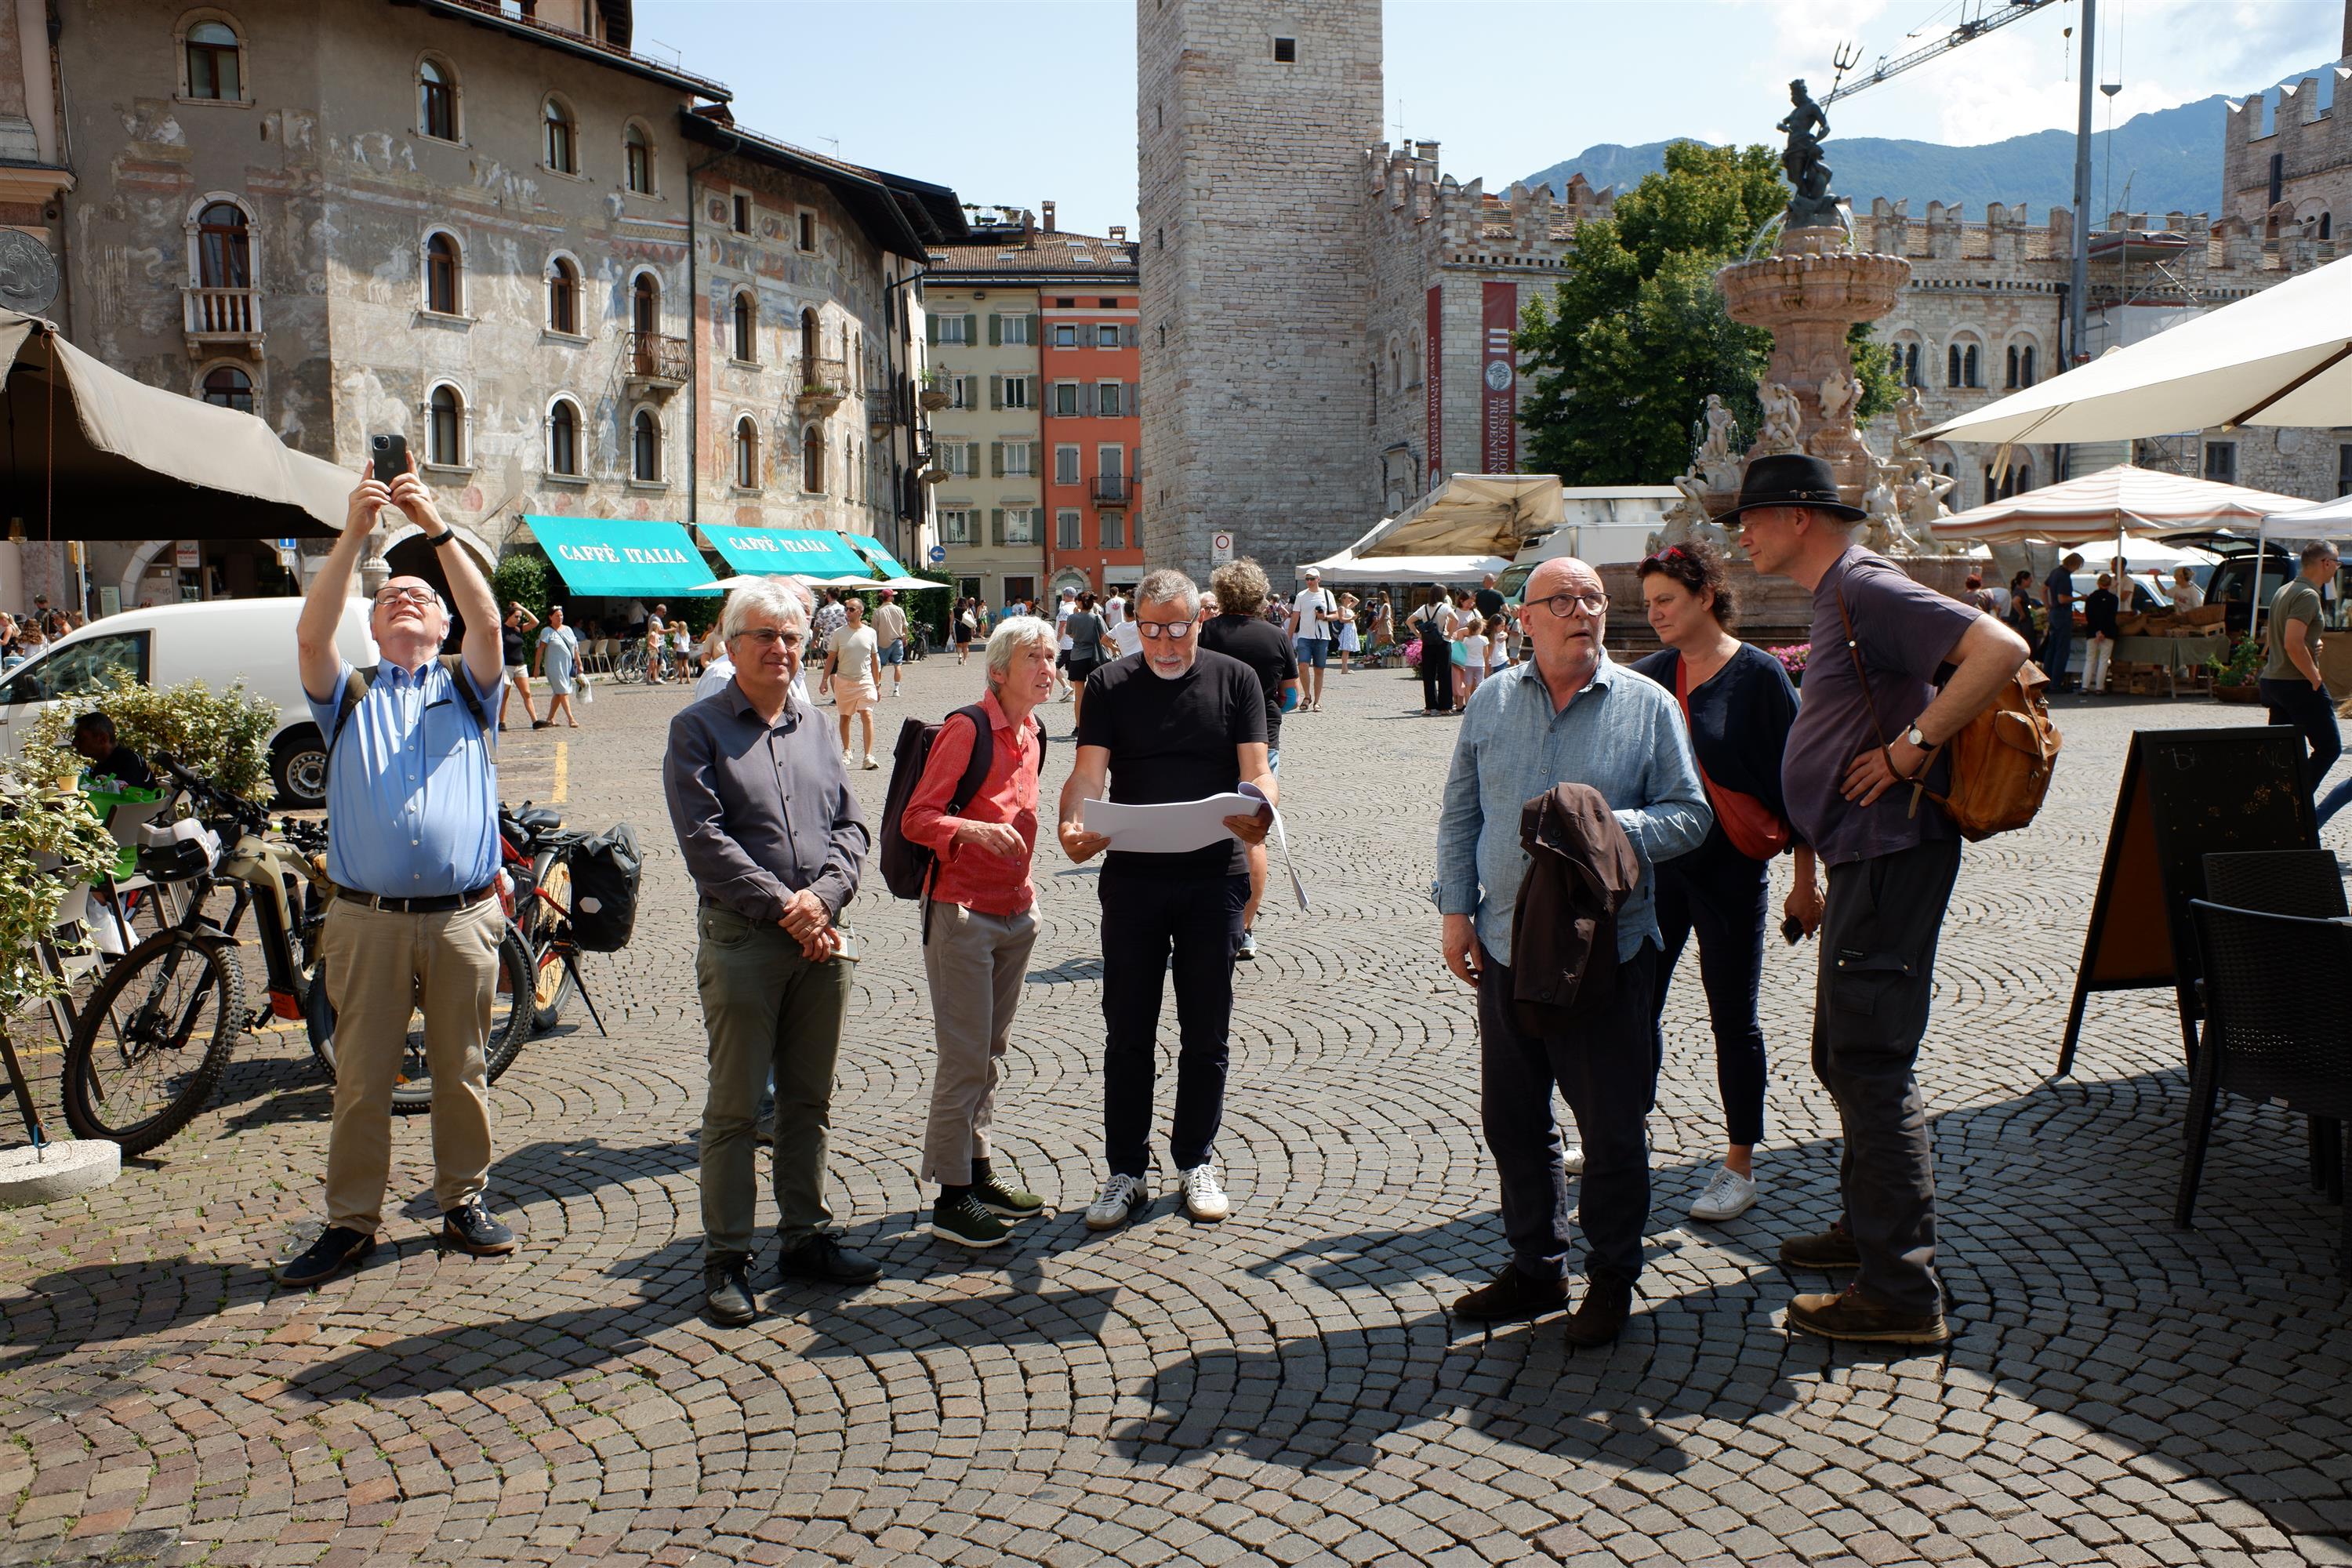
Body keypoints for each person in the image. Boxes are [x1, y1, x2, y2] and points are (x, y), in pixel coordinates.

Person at [1732, 452, 2029, 1345]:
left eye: (1750, 516)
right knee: (1841, 1048)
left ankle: (1899, 1292)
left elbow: (2000, 647)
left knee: (1868, 1058)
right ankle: (1866, 1231)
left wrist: (1911, 747)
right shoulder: (1843, 593)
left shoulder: (1864, 583)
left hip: (1892, 847)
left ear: (1797, 516)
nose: (1740, 533)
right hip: (1865, 854)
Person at [1435, 556, 1711, 1346]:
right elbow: (1461, 814)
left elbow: (1690, 815)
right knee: (1515, 1119)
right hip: (1506, 944)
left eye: (1591, 597)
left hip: (1608, 953)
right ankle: (1536, 1265)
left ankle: (1613, 1277)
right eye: (1561, 600)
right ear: (1525, 620)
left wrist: (1607, 829)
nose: (1582, 611)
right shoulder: (1490, 700)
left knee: (1614, 1126)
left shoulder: (1646, 704)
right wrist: (1456, 911)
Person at [277, 458, 513, 1289]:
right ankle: (350, 1223)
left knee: (463, 1069)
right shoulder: (349, 693)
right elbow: (310, 636)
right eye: (388, 601)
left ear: (444, 627)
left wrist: (435, 527)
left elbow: (488, 622)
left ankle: (463, 1200)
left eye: (420, 598)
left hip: (460, 916)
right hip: (367, 917)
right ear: (373, 631)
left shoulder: (468, 685)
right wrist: (352, 534)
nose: (403, 600)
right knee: (361, 1077)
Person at [664, 579, 876, 1325]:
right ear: (730, 643)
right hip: (745, 940)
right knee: (733, 1108)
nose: (782, 649)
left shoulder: (814, 726)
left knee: (808, 1101)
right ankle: (727, 1255)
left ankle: (804, 1237)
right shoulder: (697, 730)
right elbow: (705, 842)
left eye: (791, 637)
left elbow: (851, 827)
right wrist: (789, 906)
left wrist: (825, 897)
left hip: (817, 936)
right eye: (765, 636)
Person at [1058, 569, 1275, 1230]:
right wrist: (1072, 825)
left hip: (1215, 874)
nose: (1165, 644)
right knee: (1128, 1029)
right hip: (1133, 878)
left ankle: (1194, 1159)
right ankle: (1125, 1169)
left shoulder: (1235, 679)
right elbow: (1088, 773)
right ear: (1137, 626)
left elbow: (1257, 769)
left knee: (1206, 1029)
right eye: (1151, 630)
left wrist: (1264, 809)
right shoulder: (1108, 684)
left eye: (1177, 628)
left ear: (1198, 621)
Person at [1631, 543, 1815, 1223]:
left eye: (1666, 601)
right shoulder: (1650, 676)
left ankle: (1739, 1164)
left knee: (1732, 1018)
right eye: (1647, 603)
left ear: (1706, 595)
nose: (1653, 615)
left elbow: (1796, 786)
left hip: (1734, 870)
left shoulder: (1760, 677)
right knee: (1635, 1004)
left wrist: (1805, 880)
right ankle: (1623, 1132)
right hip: (1659, 872)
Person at [902, 616, 1056, 1247]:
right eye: (1034, 658)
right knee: (963, 1058)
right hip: (961, 911)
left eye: (1052, 656)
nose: (1049, 667)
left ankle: (979, 1168)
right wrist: (970, 830)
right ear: (998, 670)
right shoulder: (967, 729)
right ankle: (951, 1197)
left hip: (1015, 910)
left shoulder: (1035, 731)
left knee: (989, 1055)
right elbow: (918, 818)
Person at [1201, 559, 1301, 964]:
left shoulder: (1205, 632)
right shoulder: (1276, 636)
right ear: (1260, 595)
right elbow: (1291, 695)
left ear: (1221, 594)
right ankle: (1244, 929)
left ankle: (1203, 921)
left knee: (1206, 831)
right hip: (1263, 742)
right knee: (1252, 836)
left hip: (1210, 739)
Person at [2261, 541, 2347, 826]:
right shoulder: (2307, 595)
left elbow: (2278, 639)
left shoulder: (2284, 590)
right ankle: (2291, 805)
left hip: (2275, 682)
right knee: (2329, 748)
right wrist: (2315, 677)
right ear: (2325, 563)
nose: (2337, 568)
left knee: (2284, 753)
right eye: (2336, 563)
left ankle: (2278, 808)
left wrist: (2314, 643)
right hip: (2296, 682)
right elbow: (2291, 643)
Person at [826, 595, 883, 769]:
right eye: (846, 609)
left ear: (860, 612)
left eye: (851, 609)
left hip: (865, 680)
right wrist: (823, 680)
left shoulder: (870, 633)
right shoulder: (839, 634)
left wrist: (877, 684)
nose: (847, 612)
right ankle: (847, 750)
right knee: (845, 717)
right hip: (844, 681)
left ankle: (868, 756)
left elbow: (874, 660)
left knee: (867, 714)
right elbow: (831, 658)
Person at [1288, 566, 1339, 712]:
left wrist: (1325, 617)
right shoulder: (1301, 596)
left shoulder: (1327, 594)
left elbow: (1336, 615)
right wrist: (1288, 637)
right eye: (1307, 579)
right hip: (1305, 636)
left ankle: (1317, 701)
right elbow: (1295, 617)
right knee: (1302, 667)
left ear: (1318, 579)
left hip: (1322, 637)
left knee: (1319, 670)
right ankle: (1307, 696)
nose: (1309, 581)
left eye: (1312, 579)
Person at [71, 711, 154, 791]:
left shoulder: (130, 762)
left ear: (103, 739)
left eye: (81, 738)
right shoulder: (102, 765)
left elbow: (128, 802)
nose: (74, 743)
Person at [1063, 592, 1110, 723]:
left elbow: (1070, 635)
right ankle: (1096, 722)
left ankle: (1078, 725)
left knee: (1079, 694)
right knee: (1096, 691)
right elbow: (1104, 636)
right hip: (1094, 657)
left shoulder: (1072, 618)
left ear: (1079, 603)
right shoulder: (1097, 618)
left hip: (1078, 656)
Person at [534, 605, 583, 729]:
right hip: (554, 667)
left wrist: (580, 663)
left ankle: (550, 719)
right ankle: (571, 718)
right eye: (557, 616)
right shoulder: (547, 631)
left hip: (567, 666)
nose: (560, 618)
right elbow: (540, 650)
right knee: (563, 691)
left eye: (561, 615)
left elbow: (575, 648)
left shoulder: (568, 630)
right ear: (550, 617)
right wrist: (537, 667)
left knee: (559, 693)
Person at [1407, 586, 1451, 716]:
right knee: (1445, 674)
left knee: (1428, 675)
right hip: (1443, 642)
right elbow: (1455, 619)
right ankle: (1445, 706)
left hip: (1428, 643)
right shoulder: (1444, 607)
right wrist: (1449, 633)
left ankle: (1430, 706)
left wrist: (1418, 634)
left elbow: (1409, 621)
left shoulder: (1424, 608)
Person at [2042, 553, 2082, 692]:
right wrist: (2080, 598)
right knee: (2061, 650)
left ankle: (2045, 682)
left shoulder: (2054, 572)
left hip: (2054, 614)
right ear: (2074, 564)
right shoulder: (2064, 576)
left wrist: (2048, 606)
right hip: (2062, 614)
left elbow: (2044, 589)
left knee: (2051, 649)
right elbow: (2062, 599)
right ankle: (2056, 684)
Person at [497, 602, 540, 730]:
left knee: (527, 693)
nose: (519, 619)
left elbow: (535, 622)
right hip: (506, 666)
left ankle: (535, 721)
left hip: (520, 666)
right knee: (505, 694)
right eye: (516, 616)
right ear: (509, 616)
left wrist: (522, 608)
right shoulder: (501, 629)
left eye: (520, 617)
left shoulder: (519, 628)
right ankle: (502, 721)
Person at [2082, 572, 2120, 693]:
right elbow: (2111, 617)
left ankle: (2085, 686)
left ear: (2098, 583)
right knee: (2104, 660)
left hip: (2092, 631)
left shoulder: (2091, 598)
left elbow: (2089, 616)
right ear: (2109, 584)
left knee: (2090, 659)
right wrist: (2103, 631)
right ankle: (2099, 687)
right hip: (2108, 632)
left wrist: (2097, 631)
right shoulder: (2114, 599)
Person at [873, 587, 909, 699]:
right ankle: (896, 689)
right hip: (897, 640)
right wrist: (905, 638)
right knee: (898, 665)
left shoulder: (878, 611)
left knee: (879, 667)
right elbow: (905, 626)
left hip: (882, 642)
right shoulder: (899, 610)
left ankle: (877, 687)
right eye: (892, 596)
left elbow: (874, 629)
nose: (893, 597)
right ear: (889, 597)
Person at [811, 590, 848, 702]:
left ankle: (838, 696)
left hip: (830, 645)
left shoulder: (824, 611)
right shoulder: (845, 609)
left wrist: (814, 640)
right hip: (846, 643)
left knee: (833, 671)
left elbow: (817, 628)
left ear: (828, 596)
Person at [1460, 615, 1490, 700]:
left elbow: (1460, 636)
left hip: (1468, 664)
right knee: (1479, 685)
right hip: (1480, 664)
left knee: (1468, 686)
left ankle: (1467, 706)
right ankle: (1478, 704)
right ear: (1480, 628)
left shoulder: (1466, 640)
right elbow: (1486, 653)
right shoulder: (1484, 639)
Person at [1335, 591, 1362, 674]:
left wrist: (1351, 596)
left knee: (1348, 650)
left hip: (1351, 629)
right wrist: (1352, 619)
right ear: (1344, 599)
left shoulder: (1349, 607)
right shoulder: (1342, 608)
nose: (1351, 599)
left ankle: (1345, 668)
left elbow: (1357, 601)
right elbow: (1341, 619)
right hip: (1346, 629)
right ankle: (1344, 669)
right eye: (1349, 598)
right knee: (1346, 650)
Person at [644, 603, 669, 684]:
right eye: (658, 627)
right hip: (653, 650)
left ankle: (654, 678)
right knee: (652, 664)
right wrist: (656, 647)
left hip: (654, 649)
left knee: (654, 664)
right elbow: (650, 642)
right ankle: (649, 679)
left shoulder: (655, 634)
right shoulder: (653, 634)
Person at [955, 597, 978, 665]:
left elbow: (952, 620)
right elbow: (973, 620)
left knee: (959, 645)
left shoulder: (955, 610)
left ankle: (959, 655)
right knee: (966, 646)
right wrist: (974, 629)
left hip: (958, 627)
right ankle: (964, 660)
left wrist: (951, 628)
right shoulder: (968, 610)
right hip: (967, 628)